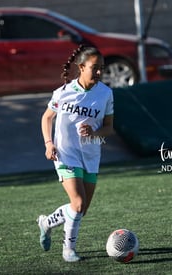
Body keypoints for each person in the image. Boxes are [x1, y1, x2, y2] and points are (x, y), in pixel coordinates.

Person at [38, 44, 114, 262]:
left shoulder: (106, 94)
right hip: (65, 153)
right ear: (81, 67)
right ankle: (68, 250)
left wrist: (95, 132)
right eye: (95, 68)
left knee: (80, 211)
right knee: (78, 203)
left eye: (102, 68)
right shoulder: (63, 92)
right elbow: (46, 118)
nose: (99, 72)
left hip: (90, 156)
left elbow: (109, 127)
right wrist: (48, 143)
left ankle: (47, 222)